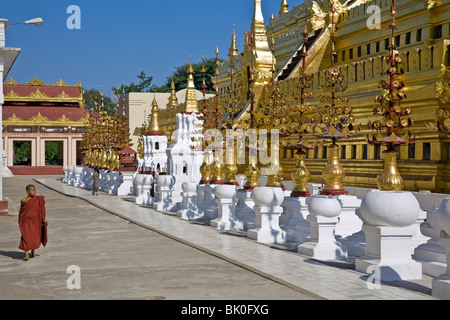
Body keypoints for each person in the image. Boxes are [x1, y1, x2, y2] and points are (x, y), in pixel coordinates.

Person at [18, 185, 48, 261]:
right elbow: (21, 210)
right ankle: (26, 254)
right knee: (26, 236)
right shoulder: (23, 200)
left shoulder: (38, 200)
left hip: (35, 221)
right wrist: (19, 220)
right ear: (27, 192)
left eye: (35, 190)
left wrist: (44, 218)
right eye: (32, 190)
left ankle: (33, 253)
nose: (35, 192)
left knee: (35, 236)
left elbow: (41, 210)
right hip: (26, 221)